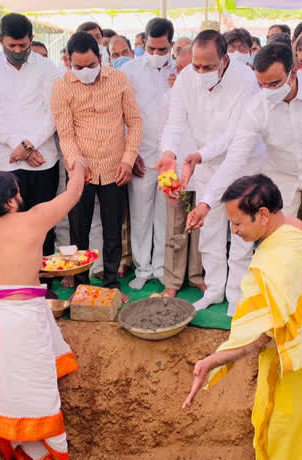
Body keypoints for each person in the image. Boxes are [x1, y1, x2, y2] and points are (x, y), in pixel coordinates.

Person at [183, 174, 302, 460]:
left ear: (264, 214)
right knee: (273, 420)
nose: (234, 231)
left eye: (237, 223)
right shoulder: (294, 228)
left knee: (289, 432)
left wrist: (216, 359)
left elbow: (265, 334)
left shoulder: (279, 260)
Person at [0, 169, 94, 460]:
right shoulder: (31, 220)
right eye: (17, 191)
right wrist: (77, 163)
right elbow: (72, 194)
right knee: (40, 392)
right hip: (20, 320)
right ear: (8, 201)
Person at [188, 42, 302, 292]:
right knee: (281, 241)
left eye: (274, 84)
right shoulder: (256, 107)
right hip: (282, 179)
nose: (267, 90)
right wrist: (205, 202)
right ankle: (286, 298)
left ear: (294, 71)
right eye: (261, 84)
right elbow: (234, 159)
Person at [158, 29, 261, 315]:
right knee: (209, 231)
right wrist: (169, 153)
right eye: (196, 65)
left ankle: (237, 295)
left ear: (225, 59)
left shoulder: (245, 80)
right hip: (203, 162)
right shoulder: (186, 79)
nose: (200, 72)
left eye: (208, 66)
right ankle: (215, 290)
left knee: (241, 232)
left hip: (242, 163)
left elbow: (235, 135)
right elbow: (175, 122)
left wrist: (200, 155)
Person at [51, 31, 142, 292]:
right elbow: (65, 135)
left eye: (91, 65)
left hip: (116, 168)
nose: (86, 71)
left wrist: (128, 159)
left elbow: (134, 121)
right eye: (79, 67)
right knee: (79, 231)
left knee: (113, 231)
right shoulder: (62, 87)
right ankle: (81, 285)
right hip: (81, 172)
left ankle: (112, 283)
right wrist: (78, 164)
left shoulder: (119, 79)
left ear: (100, 58)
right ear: (68, 62)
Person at [0, 13, 61, 265]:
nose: (17, 50)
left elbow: (54, 112)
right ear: (0, 40)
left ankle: (43, 279)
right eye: (11, 46)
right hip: (6, 160)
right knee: (9, 222)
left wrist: (29, 144)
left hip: (42, 159)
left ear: (31, 39)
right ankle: (15, 276)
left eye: (22, 46)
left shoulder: (47, 67)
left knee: (43, 221)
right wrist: (19, 145)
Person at [120, 18, 175, 290]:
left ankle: (163, 268)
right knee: (140, 215)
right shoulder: (129, 71)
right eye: (151, 48)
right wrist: (131, 153)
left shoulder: (182, 72)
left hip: (169, 157)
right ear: (143, 44)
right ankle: (143, 268)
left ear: (171, 46)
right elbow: (122, 116)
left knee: (165, 216)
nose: (156, 54)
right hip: (140, 154)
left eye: (162, 50)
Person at [161, 42, 205, 298]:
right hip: (177, 170)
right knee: (175, 226)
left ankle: (197, 275)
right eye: (181, 67)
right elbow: (163, 134)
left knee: (202, 226)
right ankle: (173, 280)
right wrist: (168, 174)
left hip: (206, 169)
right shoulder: (170, 98)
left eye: (194, 67)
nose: (186, 73)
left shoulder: (215, 95)